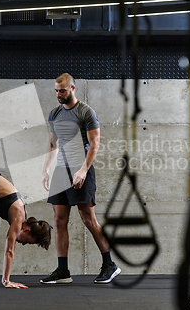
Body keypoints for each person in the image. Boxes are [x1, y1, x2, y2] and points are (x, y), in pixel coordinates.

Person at [41, 73, 121, 284]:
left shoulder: (86, 112)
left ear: (73, 88)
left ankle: (109, 265)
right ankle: (63, 270)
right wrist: (46, 170)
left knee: (88, 219)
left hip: (80, 169)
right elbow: (52, 145)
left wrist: (84, 170)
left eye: (63, 91)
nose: (59, 94)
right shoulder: (55, 114)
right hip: (61, 171)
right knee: (59, 221)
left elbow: (95, 143)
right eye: (56, 91)